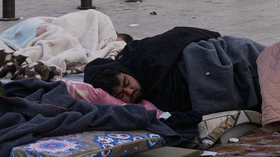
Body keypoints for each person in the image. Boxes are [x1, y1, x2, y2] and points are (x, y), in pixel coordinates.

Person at [84, 26, 264, 114]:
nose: (130, 92)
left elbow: (179, 34)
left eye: (126, 83)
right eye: (121, 94)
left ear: (125, 72)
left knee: (270, 65)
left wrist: (214, 40)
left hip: (227, 58)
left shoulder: (143, 55)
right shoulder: (142, 106)